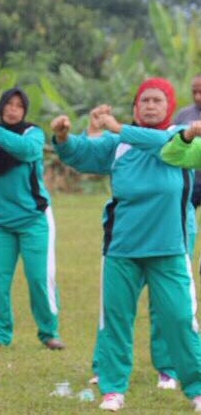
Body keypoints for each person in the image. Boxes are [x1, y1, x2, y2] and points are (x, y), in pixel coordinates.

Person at [51, 77, 201, 412]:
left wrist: (120, 127)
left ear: (170, 107)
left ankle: (196, 389)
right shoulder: (117, 144)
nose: (150, 106)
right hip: (122, 247)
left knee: (180, 318)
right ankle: (113, 389)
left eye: (157, 100)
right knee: (115, 320)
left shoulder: (181, 137)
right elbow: (83, 153)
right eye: (144, 100)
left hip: (169, 249)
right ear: (135, 107)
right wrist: (63, 138)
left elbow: (165, 142)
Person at [0, 87, 64, 350]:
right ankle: (0, 335)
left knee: (39, 278)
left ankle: (49, 333)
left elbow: (27, 150)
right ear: (2, 107)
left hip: (34, 219)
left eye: (18, 105)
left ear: (24, 110)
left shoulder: (32, 133)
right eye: (9, 104)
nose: (13, 109)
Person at [173, 75, 201, 208]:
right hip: (190, 179)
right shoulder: (183, 115)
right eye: (194, 92)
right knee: (184, 215)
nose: (197, 97)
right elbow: (172, 142)